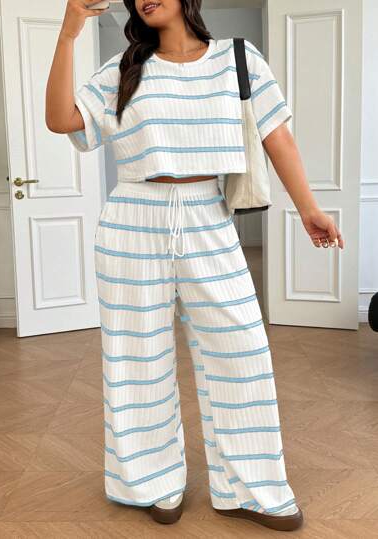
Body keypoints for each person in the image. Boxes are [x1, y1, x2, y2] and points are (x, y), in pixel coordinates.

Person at [46, 0, 344, 531]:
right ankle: (151, 482)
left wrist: (309, 209)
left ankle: (250, 489)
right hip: (132, 217)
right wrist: (68, 35)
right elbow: (60, 120)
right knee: (136, 357)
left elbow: (277, 136)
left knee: (242, 350)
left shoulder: (238, 58)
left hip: (210, 214)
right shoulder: (124, 67)